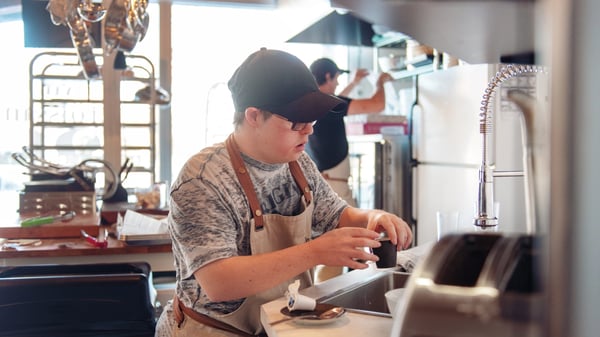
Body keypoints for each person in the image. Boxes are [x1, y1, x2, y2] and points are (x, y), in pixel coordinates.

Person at [155, 48, 412, 337]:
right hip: (211, 330)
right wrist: (316, 251)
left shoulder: (297, 163)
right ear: (253, 115)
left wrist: (373, 217)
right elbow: (218, 281)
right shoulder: (202, 180)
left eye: (312, 119)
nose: (309, 131)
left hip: (278, 325)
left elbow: (337, 215)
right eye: (296, 122)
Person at [306, 58, 394, 207]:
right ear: (328, 76)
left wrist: (354, 83)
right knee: (354, 227)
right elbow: (377, 105)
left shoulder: (313, 102)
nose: (338, 83)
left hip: (324, 181)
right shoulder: (327, 103)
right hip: (334, 185)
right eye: (337, 78)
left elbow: (337, 103)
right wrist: (380, 82)